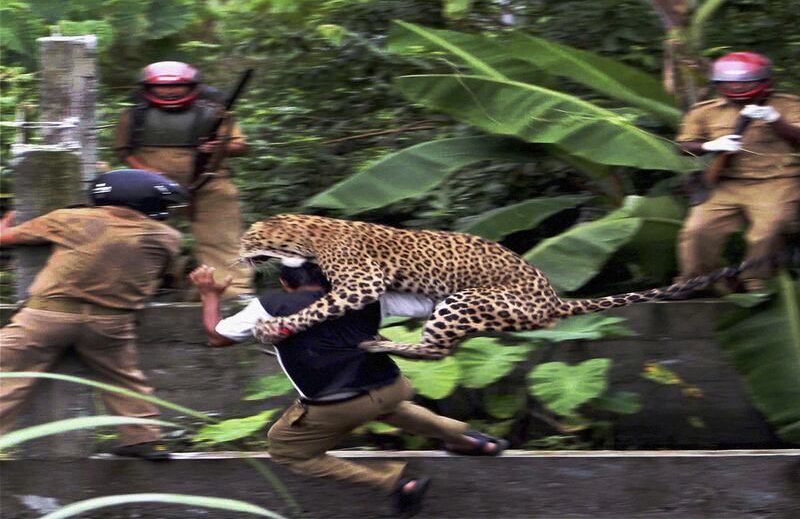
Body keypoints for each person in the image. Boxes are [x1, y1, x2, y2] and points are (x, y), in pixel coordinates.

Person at [190, 262, 509, 518]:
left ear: (287, 284)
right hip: (391, 387)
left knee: (286, 448)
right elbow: (430, 303)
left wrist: (210, 295)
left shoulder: (271, 306)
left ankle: (398, 483)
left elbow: (218, 337)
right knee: (390, 407)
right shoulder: (366, 296)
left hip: (338, 403)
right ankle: (469, 438)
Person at [0, 169, 187, 460]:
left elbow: (6, 237)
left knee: (7, 374)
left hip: (47, 316)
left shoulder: (73, 218)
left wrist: (8, 220)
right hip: (111, 324)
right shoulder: (168, 238)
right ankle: (143, 437)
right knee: (124, 379)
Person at [113, 61, 252, 299]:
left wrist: (219, 146)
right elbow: (123, 150)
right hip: (153, 188)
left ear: (192, 86)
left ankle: (232, 291)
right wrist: (145, 171)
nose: (169, 92)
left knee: (221, 238)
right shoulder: (133, 115)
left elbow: (240, 145)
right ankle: (151, 287)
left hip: (209, 183)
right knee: (146, 238)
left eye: (178, 87)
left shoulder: (215, 111)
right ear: (148, 88)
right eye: (162, 87)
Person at [675, 51, 800, 293]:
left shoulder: (790, 105)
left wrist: (775, 120)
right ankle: (696, 281)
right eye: (729, 82)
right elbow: (684, 147)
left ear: (764, 81)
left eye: (746, 82)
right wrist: (711, 145)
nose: (737, 87)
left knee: (770, 227)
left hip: (777, 180)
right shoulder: (705, 111)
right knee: (697, 230)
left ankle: (755, 280)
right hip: (725, 182)